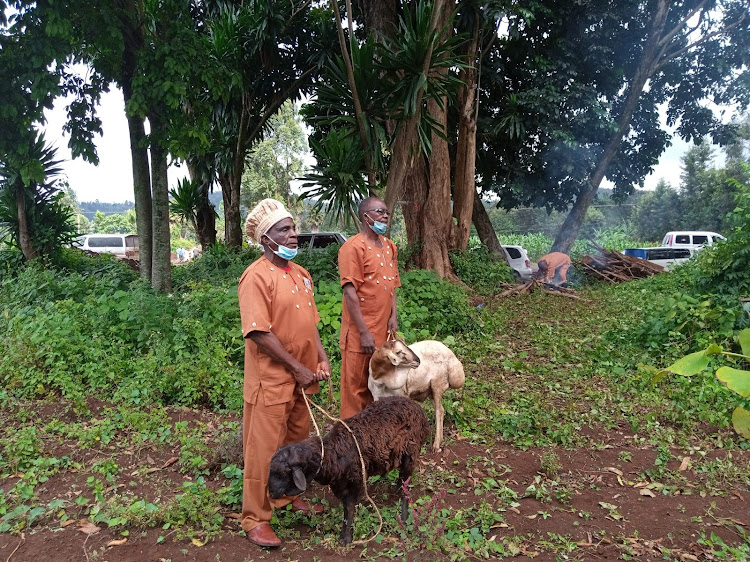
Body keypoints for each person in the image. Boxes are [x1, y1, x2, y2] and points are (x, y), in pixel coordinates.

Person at [238, 198, 331, 548]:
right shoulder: (256, 277)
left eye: (293, 228)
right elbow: (259, 333)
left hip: (303, 382)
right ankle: (255, 518)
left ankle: (288, 497)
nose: (294, 235)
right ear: (265, 239)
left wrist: (320, 360)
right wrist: (297, 368)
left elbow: (311, 325)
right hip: (272, 382)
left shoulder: (301, 275)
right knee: (263, 451)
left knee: (296, 445)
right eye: (284, 230)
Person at [338, 196, 400, 419]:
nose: (385, 216)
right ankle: (350, 437)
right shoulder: (352, 248)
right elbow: (350, 292)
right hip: (359, 334)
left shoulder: (390, 247)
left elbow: (392, 284)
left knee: (377, 382)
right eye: (380, 212)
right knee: (356, 388)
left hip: (383, 332)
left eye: (386, 212)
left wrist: (393, 315)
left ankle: (371, 432)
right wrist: (364, 332)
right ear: (366, 216)